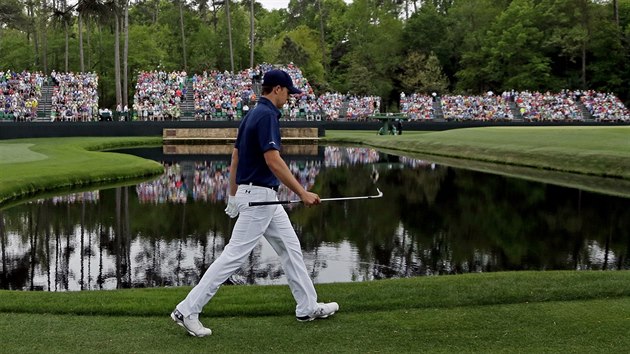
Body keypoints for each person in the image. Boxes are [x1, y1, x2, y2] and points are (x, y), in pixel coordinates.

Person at [171, 69, 339, 337]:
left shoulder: (252, 113)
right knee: (233, 256)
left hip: (262, 197)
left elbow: (235, 157)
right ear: (277, 90)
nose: (289, 97)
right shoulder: (267, 115)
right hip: (259, 197)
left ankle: (307, 306)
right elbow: (273, 160)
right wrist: (302, 193)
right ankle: (187, 309)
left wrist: (232, 194)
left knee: (289, 246)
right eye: (287, 92)